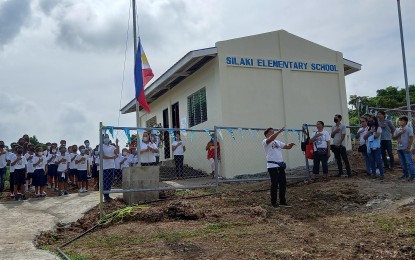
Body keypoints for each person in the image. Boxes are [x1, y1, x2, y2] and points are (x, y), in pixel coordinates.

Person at [263, 127, 295, 208]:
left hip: (280, 165)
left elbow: (286, 147)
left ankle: (282, 201)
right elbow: (271, 138)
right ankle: (273, 202)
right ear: (266, 134)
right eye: (270, 132)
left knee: (283, 184)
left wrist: (290, 145)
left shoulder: (277, 142)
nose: (272, 133)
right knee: (274, 184)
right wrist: (279, 132)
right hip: (272, 166)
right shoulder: (265, 141)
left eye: (273, 132)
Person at [393, 116, 415, 181]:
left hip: (406, 148)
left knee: (409, 162)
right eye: (400, 120)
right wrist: (400, 133)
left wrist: (409, 147)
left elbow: (411, 138)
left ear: (405, 121)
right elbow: (394, 138)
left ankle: (413, 175)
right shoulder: (397, 129)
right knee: (403, 162)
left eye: (402, 120)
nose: (400, 122)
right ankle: (405, 174)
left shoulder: (409, 129)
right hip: (399, 148)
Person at [364, 115, 384, 180]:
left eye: (372, 120)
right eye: (369, 120)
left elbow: (376, 136)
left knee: (378, 161)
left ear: (375, 121)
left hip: (377, 147)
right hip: (370, 148)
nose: (370, 121)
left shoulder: (379, 128)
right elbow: (364, 137)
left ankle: (382, 174)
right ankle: (374, 174)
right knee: (372, 161)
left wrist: (369, 136)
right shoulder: (368, 129)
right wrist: (370, 131)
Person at [102, 134, 119, 202]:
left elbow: (117, 152)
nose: (106, 139)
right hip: (105, 167)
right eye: (105, 137)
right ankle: (105, 195)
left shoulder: (112, 147)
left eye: (107, 137)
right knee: (105, 181)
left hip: (112, 166)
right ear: (103, 139)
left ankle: (107, 195)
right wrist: (112, 157)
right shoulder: (101, 146)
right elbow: (102, 156)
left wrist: (117, 144)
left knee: (110, 181)